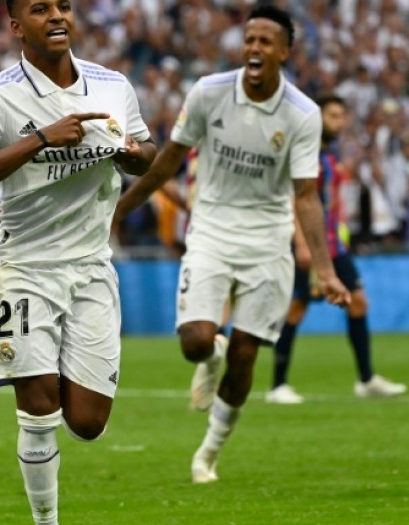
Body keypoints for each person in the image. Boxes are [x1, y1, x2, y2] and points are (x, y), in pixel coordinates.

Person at [114, 5, 350, 484]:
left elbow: (306, 197)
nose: (255, 48)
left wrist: (326, 272)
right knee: (196, 342)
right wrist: (118, 209)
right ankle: (210, 355)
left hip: (267, 240)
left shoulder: (303, 116)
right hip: (212, 230)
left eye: (266, 41)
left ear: (283, 52)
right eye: (250, 40)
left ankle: (208, 452)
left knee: (247, 353)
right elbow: (167, 163)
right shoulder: (209, 92)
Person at [0, 1, 157, 525]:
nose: (57, 15)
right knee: (38, 408)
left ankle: (44, 362)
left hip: (91, 267)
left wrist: (132, 155)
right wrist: (41, 137)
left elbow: (148, 152)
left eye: (64, 5)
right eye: (41, 9)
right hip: (26, 267)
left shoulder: (113, 85)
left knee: (87, 422)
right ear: (17, 26)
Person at [266, 95, 407, 405]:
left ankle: (366, 379)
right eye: (333, 115)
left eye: (342, 116)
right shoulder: (304, 153)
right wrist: (301, 244)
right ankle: (277, 386)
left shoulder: (327, 155)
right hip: (310, 245)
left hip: (333, 245)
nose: (339, 122)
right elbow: (295, 199)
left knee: (358, 302)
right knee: (296, 308)